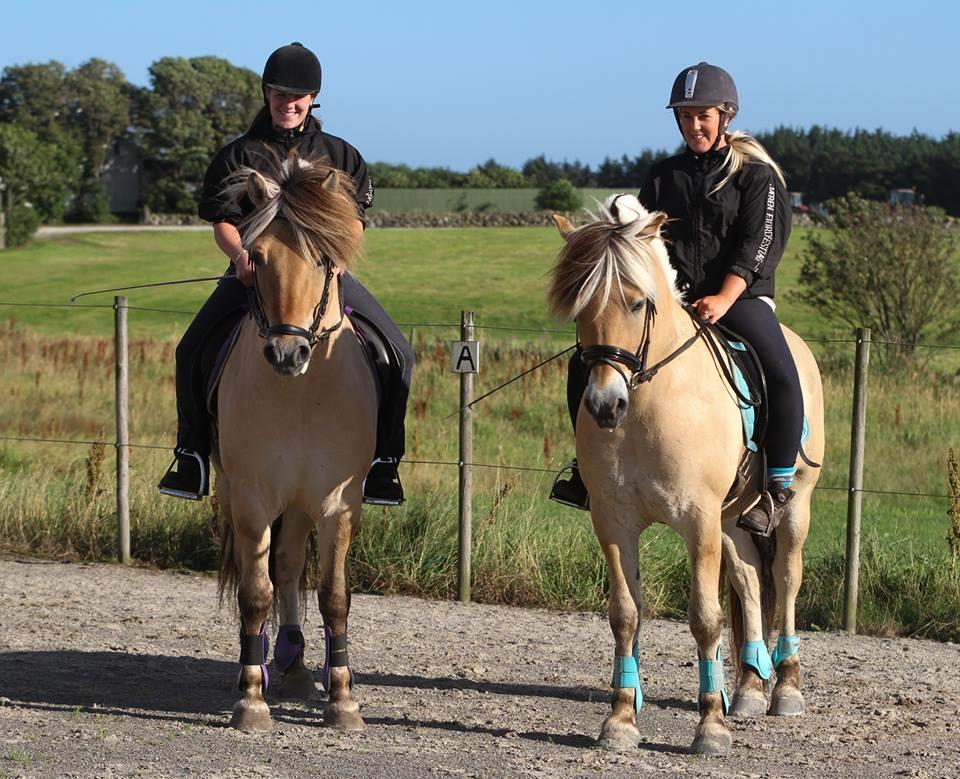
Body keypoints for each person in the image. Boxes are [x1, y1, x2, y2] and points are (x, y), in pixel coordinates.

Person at [550, 61, 803, 536]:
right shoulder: (664, 175)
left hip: (740, 299)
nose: (694, 126)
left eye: (703, 116)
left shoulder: (756, 177)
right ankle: (586, 470)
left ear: (725, 116)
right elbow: (643, 243)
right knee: (587, 360)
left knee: (782, 371)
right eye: (685, 117)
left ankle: (776, 487)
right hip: (674, 300)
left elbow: (760, 246)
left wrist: (725, 299)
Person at [158, 42, 413, 506]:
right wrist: (241, 259)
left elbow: (354, 219)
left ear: (313, 98)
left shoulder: (340, 154)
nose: (289, 103)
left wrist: (341, 254)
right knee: (190, 350)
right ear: (266, 93)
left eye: (299, 96)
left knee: (398, 352)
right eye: (279, 94)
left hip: (323, 274)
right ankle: (190, 454)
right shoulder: (238, 156)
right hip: (254, 273)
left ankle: (384, 463)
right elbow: (222, 221)